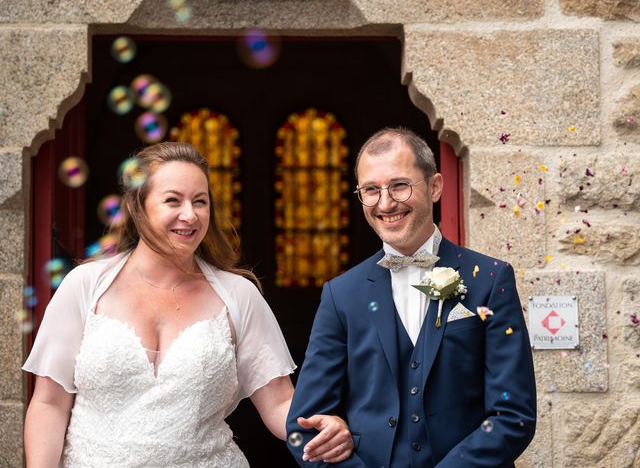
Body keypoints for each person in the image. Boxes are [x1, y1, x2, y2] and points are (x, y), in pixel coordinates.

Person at [23, 142, 352, 467]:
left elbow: (280, 401)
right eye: (173, 200)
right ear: (137, 207)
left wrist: (321, 427)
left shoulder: (238, 295)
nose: (190, 215)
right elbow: (50, 403)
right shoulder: (84, 286)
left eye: (200, 201)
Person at [286, 127, 536, 467]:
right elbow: (303, 426)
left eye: (399, 186)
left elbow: (513, 415)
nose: (385, 203)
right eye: (371, 190)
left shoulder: (490, 280)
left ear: (434, 187)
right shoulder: (340, 295)